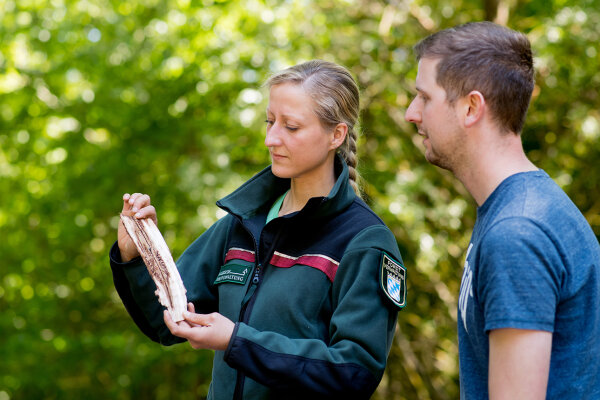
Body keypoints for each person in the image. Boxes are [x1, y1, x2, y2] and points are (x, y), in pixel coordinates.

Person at [110, 60, 406, 399]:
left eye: (290, 127)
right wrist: (136, 253)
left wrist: (237, 342)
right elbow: (163, 322)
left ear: (336, 135)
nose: (270, 138)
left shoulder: (364, 241)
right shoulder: (241, 223)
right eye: (270, 121)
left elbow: (354, 373)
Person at [404, 21, 600, 399]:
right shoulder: (526, 208)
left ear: (471, 107)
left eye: (424, 98)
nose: (412, 113)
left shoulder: (517, 232)